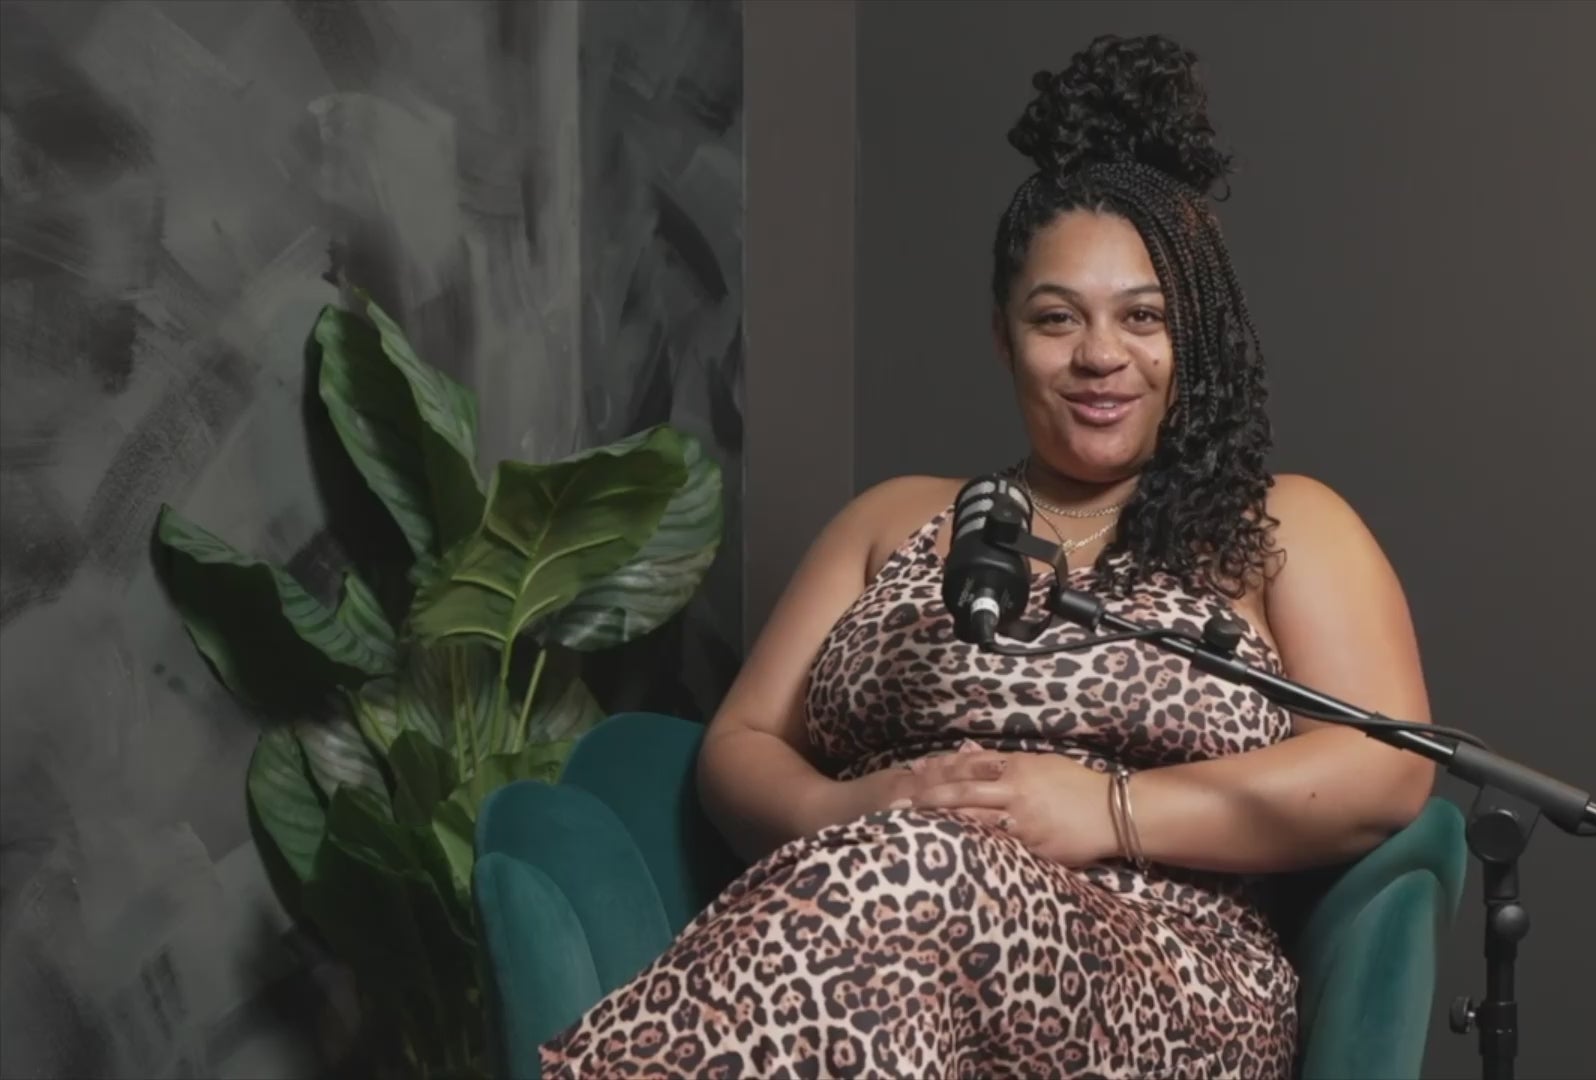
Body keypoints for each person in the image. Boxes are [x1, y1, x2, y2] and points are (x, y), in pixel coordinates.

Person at [540, 32, 1435, 1080]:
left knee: (924, 873)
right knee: (909, 878)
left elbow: (1386, 768)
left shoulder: (1279, 525)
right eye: (1057, 319)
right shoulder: (896, 519)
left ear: (1192, 338)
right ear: (1003, 336)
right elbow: (740, 741)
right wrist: (847, 807)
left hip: (1159, 981)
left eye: (1143, 318)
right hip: (859, 928)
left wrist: (1105, 809)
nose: (1099, 355)